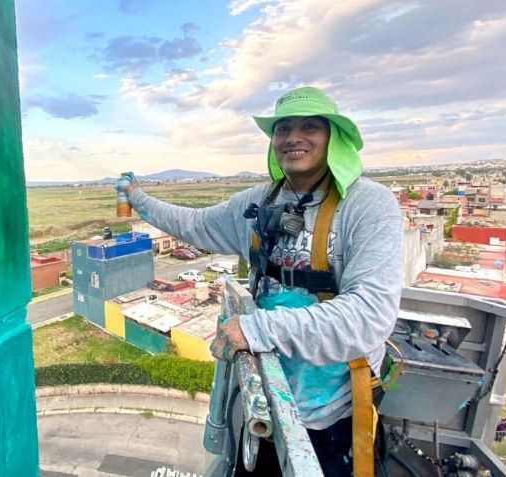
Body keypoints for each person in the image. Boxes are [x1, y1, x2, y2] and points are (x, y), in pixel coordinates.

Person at [117, 86, 403, 475]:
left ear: (333, 137)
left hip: (331, 416)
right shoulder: (258, 202)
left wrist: (257, 329)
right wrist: (140, 198)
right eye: (283, 129)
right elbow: (195, 223)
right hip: (261, 401)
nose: (293, 137)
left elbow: (368, 317)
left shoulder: (366, 205)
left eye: (310, 127)